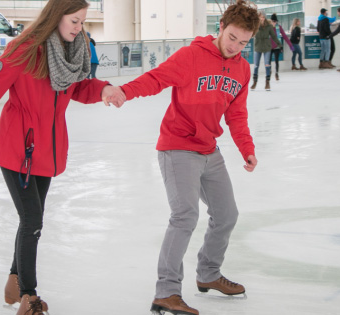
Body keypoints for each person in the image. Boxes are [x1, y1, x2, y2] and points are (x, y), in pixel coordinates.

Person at [0, 0, 125, 314]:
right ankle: (29, 297)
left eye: (82, 22)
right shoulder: (24, 50)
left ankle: (14, 283)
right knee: (32, 220)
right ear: (56, 17)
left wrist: (103, 90)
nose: (78, 28)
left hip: (47, 151)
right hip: (19, 150)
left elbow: (78, 88)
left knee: (32, 219)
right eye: (74, 20)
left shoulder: (71, 51)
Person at [114, 1, 259, 314]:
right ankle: (166, 292)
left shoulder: (242, 69)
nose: (236, 46)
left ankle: (208, 274)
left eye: (243, 42)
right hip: (178, 146)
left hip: (209, 149)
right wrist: (125, 91)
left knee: (227, 214)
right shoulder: (192, 56)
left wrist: (247, 148)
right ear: (220, 28)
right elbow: (156, 78)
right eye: (232, 37)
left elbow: (237, 113)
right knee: (185, 216)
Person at [252, 11, 281, 91]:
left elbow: (274, 36)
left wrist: (279, 44)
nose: (262, 18)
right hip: (258, 47)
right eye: (261, 17)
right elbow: (250, 33)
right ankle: (255, 82)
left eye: (263, 17)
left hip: (267, 47)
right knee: (256, 65)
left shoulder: (269, 26)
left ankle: (267, 82)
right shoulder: (255, 25)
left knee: (267, 64)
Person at [269, 13, 294, 80]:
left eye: (275, 21)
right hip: (269, 47)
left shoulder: (279, 27)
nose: (274, 23)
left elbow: (285, 36)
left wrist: (290, 45)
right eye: (273, 21)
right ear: (271, 21)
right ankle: (269, 71)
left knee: (277, 61)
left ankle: (276, 73)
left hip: (277, 46)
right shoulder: (267, 27)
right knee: (268, 61)